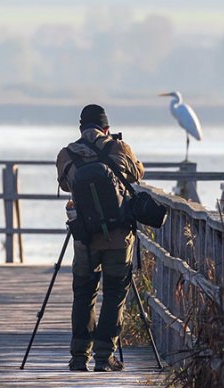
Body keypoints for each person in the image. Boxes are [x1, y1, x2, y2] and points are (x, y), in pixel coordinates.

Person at [56, 104, 145, 372]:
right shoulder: (119, 149)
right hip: (119, 236)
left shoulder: (67, 154)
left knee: (83, 292)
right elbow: (137, 173)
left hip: (85, 236)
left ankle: (79, 357)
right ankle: (104, 357)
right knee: (115, 292)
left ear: (81, 129)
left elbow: (64, 185)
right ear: (106, 128)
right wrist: (119, 148)